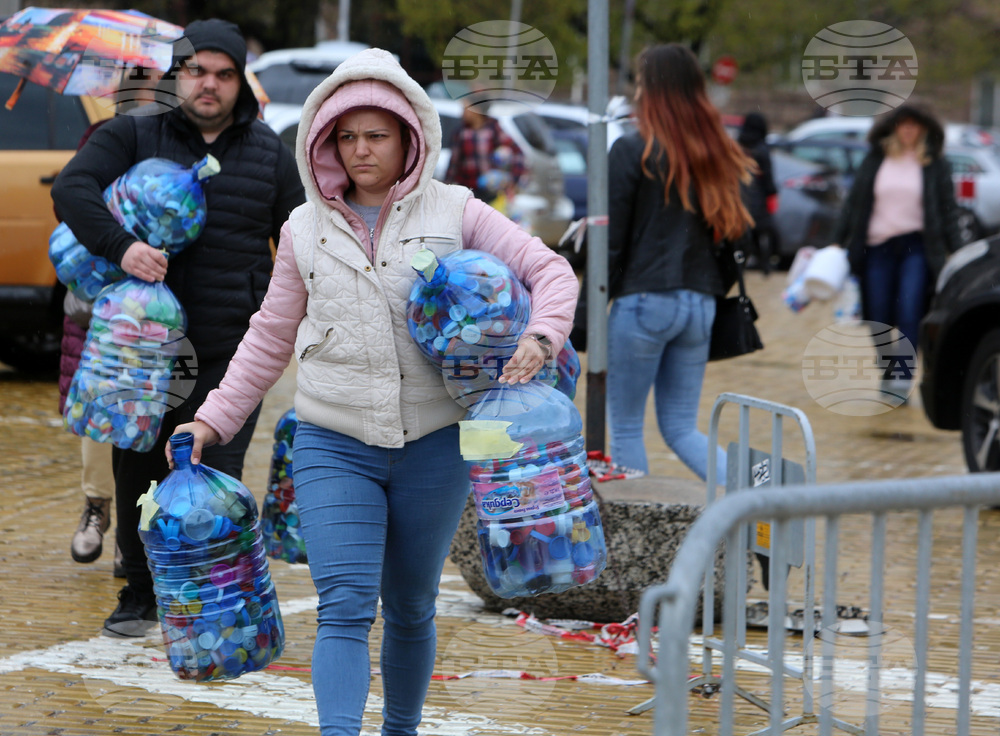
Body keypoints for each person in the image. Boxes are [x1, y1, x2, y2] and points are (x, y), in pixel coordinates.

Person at [169, 48, 577, 736]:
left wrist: (541, 337)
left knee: (413, 605)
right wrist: (211, 420)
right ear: (325, 141)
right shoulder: (303, 228)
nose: (360, 150)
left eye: (376, 134)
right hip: (334, 441)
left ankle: (400, 728)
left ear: (409, 136)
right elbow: (269, 336)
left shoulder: (457, 210)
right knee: (346, 604)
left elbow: (551, 271)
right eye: (346, 136)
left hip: (437, 444)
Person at [51, 18, 305, 637]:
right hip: (138, 351)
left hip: (226, 349)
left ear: (241, 81)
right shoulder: (134, 134)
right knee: (137, 470)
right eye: (197, 71)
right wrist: (121, 245)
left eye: (223, 73)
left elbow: (304, 238)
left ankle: (205, 598)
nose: (209, 84)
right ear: (177, 76)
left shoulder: (269, 153)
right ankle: (139, 594)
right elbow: (71, 187)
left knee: (209, 478)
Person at [605, 43, 755, 481]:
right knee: (681, 428)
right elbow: (738, 236)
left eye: (638, 81)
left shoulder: (634, 151)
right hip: (701, 305)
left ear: (651, 89)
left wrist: (589, 308)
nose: (635, 90)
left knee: (627, 427)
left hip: (644, 300)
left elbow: (611, 242)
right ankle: (755, 505)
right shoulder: (717, 154)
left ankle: (635, 544)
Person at [832, 103, 961, 399]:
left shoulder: (935, 164)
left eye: (914, 125)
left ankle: (902, 377)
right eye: (903, 124)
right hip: (877, 248)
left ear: (924, 129)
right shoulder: (875, 160)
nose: (908, 130)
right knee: (877, 313)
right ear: (893, 128)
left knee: (909, 309)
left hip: (915, 247)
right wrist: (837, 240)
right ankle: (888, 368)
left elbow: (947, 211)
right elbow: (853, 205)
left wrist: (959, 252)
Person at [444, 98, 525, 203]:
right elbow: (454, 163)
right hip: (467, 191)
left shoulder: (493, 129)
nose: (463, 113)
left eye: (466, 109)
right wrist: (446, 186)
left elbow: (517, 152)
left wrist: (513, 179)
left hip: (491, 192)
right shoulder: (460, 132)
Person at [737, 112, 779, 276]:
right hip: (758, 197)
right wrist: (772, 194)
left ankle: (742, 263)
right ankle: (765, 264)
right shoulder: (762, 149)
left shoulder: (738, 146)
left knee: (743, 233)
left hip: (740, 196)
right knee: (763, 233)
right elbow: (768, 176)